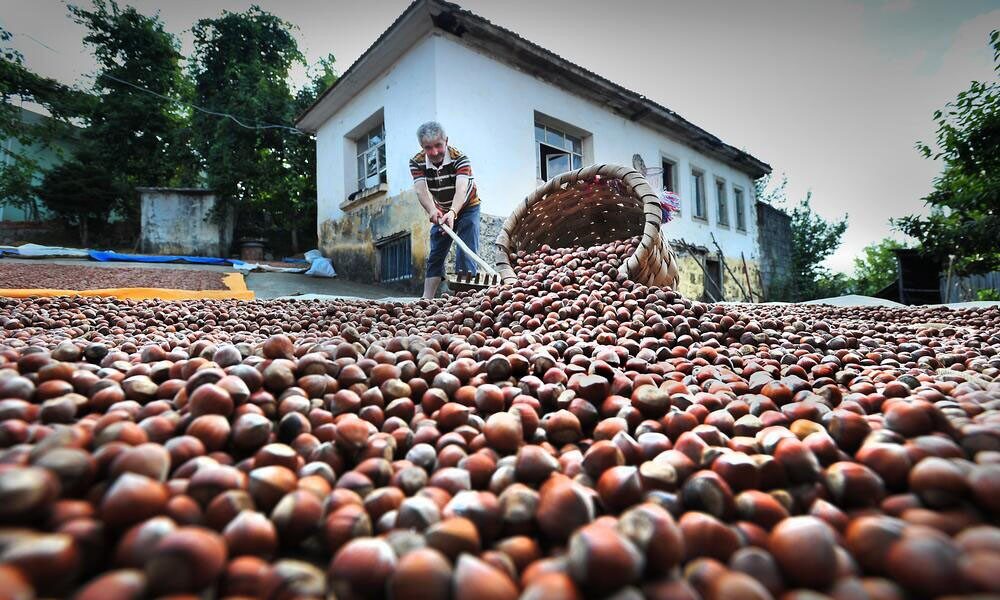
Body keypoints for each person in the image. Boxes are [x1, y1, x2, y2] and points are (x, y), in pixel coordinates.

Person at [409, 121, 481, 299]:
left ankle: (464, 297)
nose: (434, 153)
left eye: (438, 146)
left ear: (446, 141)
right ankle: (426, 298)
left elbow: (461, 189)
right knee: (437, 249)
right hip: (441, 209)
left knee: (467, 246)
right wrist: (432, 211)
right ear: (421, 146)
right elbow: (420, 190)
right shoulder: (416, 162)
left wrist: (454, 213)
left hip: (467, 206)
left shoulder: (460, 159)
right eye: (428, 148)